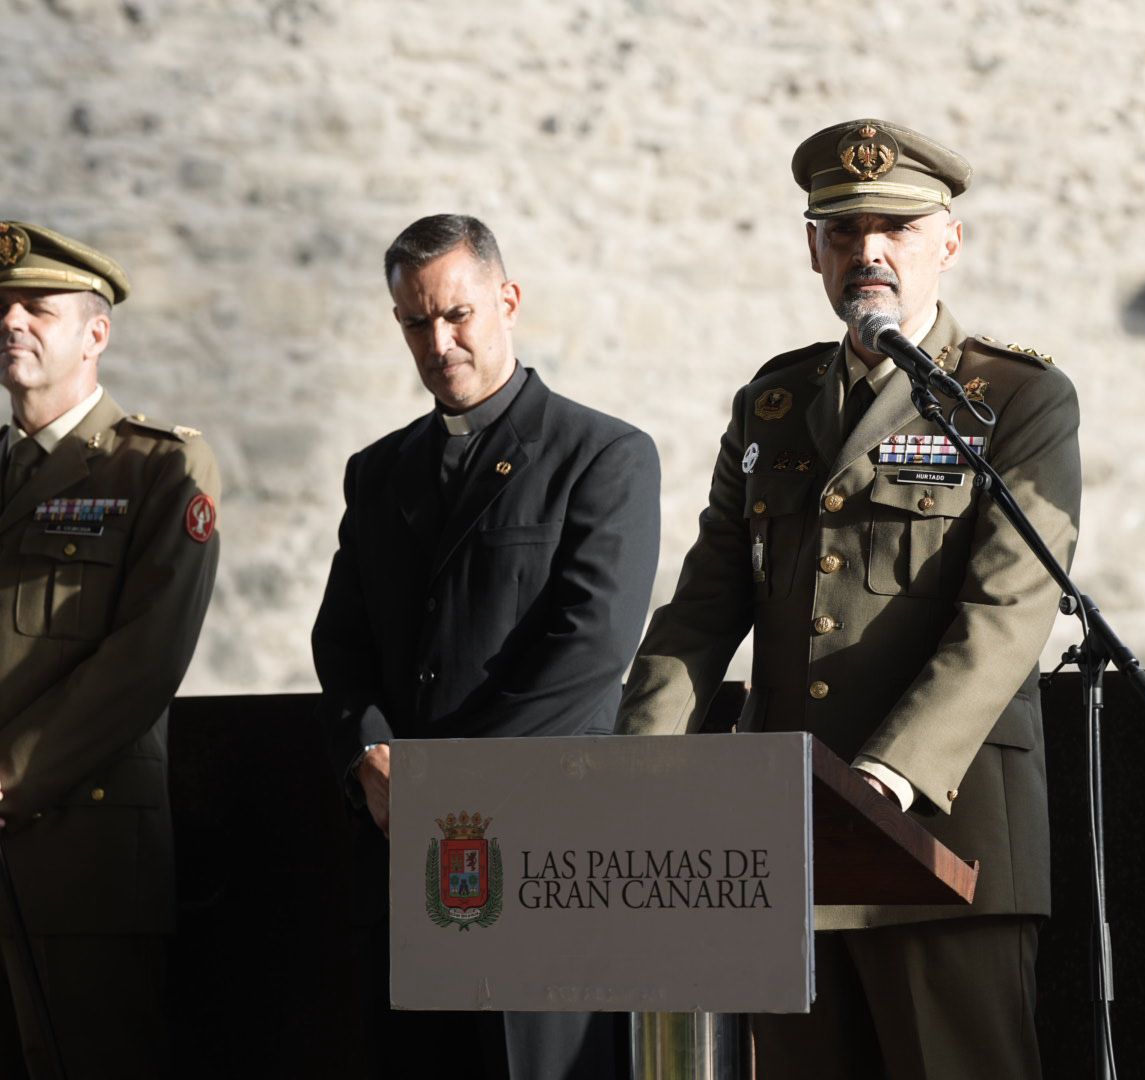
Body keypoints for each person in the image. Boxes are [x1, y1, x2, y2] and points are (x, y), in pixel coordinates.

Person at [616, 120, 1080, 1079]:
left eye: (897, 228)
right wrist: (633, 767)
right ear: (813, 248)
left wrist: (891, 775)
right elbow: (703, 612)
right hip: (789, 849)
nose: (868, 250)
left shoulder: (1014, 396)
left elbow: (1005, 616)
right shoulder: (772, 405)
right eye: (842, 229)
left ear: (946, 242)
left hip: (944, 845)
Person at [312, 214, 659, 1080]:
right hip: (399, 850)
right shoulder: (377, 470)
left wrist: (442, 784)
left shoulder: (602, 455)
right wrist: (369, 755)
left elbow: (588, 651)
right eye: (415, 322)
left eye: (458, 314)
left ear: (507, 301)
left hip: (545, 846)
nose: (439, 341)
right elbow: (341, 640)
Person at [0, 220, 221, 1078]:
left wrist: (11, 775)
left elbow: (145, 660)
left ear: (96, 335)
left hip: (81, 861)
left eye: (38, 309)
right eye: (3, 309)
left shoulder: (158, 469)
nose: (12, 322)